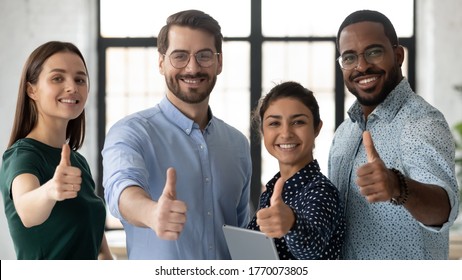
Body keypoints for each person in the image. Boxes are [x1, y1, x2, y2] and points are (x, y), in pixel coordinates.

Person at [102, 9, 252, 260]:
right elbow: (120, 188)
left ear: (219, 62)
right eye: (179, 56)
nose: (192, 68)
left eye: (204, 56)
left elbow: (240, 231)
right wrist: (151, 213)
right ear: (161, 63)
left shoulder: (237, 144)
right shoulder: (130, 132)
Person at [328, 10, 459, 259]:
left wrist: (397, 186)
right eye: (349, 57)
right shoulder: (344, 134)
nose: (362, 66)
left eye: (374, 52)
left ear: (398, 55)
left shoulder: (422, 122)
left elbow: (444, 210)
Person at [0, 41, 112, 259]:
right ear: (31, 90)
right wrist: (51, 190)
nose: (72, 87)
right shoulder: (23, 155)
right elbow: (27, 210)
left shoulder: (77, 162)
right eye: (57, 78)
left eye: (80, 79)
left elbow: (99, 248)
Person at [247, 81, 345, 260]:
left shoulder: (321, 191)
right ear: (262, 130)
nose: (285, 133)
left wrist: (292, 223)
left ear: (317, 128)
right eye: (274, 123)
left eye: (298, 122)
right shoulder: (272, 190)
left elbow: (312, 247)